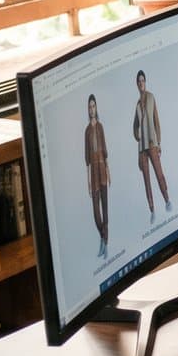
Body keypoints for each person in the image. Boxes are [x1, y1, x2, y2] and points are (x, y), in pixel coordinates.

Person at [131, 69, 170, 218]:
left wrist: (159, 142)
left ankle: (167, 199)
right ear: (137, 84)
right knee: (146, 180)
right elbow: (135, 126)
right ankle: (152, 209)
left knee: (159, 174)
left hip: (152, 144)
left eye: (143, 81)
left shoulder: (151, 97)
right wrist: (137, 136)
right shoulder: (137, 104)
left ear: (145, 82)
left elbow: (156, 121)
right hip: (142, 149)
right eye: (139, 81)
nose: (141, 83)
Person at [84, 95, 108, 255]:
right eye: (90, 107)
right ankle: (103, 236)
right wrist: (87, 180)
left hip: (102, 169)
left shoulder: (100, 126)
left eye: (94, 106)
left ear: (96, 107)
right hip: (93, 171)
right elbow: (86, 156)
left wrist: (108, 170)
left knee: (105, 209)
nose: (92, 109)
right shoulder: (87, 130)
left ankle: (105, 244)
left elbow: (105, 150)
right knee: (96, 210)